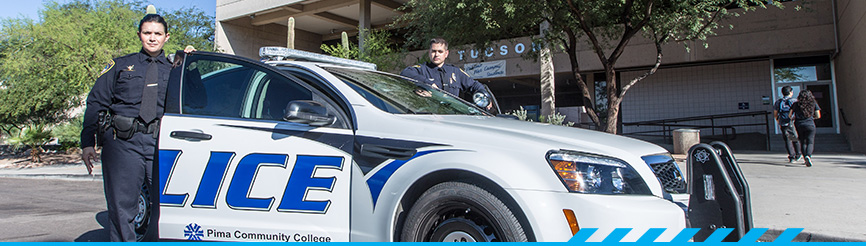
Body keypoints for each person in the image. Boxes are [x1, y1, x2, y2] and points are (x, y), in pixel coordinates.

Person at [80, 8, 193, 241]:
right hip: (123, 142)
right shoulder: (120, 65)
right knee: (123, 205)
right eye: (147, 33)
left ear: (166, 37)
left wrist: (190, 64)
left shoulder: (175, 69)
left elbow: (197, 98)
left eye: (158, 34)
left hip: (160, 143)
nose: (152, 38)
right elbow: (96, 103)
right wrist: (87, 143)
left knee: (166, 203)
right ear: (140, 35)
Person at [400, 37, 492, 110]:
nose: (436, 54)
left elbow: (475, 85)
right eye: (433, 51)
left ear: (446, 53)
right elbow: (405, 73)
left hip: (451, 117)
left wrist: (485, 96)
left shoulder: (455, 71)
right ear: (429, 53)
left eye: (440, 51)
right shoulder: (422, 69)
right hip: (428, 116)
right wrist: (428, 84)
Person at [791, 90, 821, 167]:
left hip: (799, 124)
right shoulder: (813, 103)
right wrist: (812, 117)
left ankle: (805, 158)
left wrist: (795, 118)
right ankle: (808, 156)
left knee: (803, 142)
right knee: (810, 142)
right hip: (810, 124)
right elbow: (818, 115)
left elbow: (789, 115)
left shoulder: (796, 104)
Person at [773, 86, 800, 163]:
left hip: (783, 122)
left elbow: (775, 113)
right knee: (795, 138)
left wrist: (778, 120)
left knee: (787, 140)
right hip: (792, 122)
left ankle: (791, 156)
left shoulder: (778, 102)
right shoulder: (794, 101)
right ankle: (798, 154)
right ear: (790, 92)